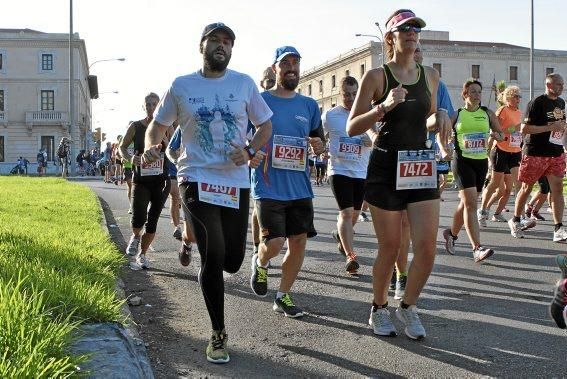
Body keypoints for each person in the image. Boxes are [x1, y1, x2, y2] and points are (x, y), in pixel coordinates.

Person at [142, 22, 272, 364]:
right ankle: (218, 333)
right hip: (195, 178)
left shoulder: (243, 84)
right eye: (215, 40)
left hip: (235, 182)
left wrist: (248, 148)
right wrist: (152, 145)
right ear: (201, 46)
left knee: (232, 260)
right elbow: (158, 124)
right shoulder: (182, 85)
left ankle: (227, 262)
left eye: (228, 42)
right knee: (213, 256)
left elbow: (265, 126)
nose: (222, 46)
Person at [347, 9, 451, 340]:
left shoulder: (430, 76)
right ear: (391, 37)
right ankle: (379, 308)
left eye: (415, 29)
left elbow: (427, 119)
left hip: (419, 165)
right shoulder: (377, 77)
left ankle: (407, 305)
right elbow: (352, 127)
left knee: (427, 248)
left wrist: (443, 116)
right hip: (385, 167)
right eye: (404, 29)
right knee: (390, 248)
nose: (411, 33)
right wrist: (384, 107)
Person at [249, 45, 324, 319]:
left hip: (300, 187)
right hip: (268, 185)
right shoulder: (259, 100)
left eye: (295, 63)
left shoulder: (309, 105)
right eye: (286, 64)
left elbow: (318, 140)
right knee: (276, 243)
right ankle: (260, 260)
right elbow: (244, 138)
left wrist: (318, 145)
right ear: (275, 69)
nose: (291, 68)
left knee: (299, 242)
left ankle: (283, 296)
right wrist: (251, 154)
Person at [443, 79, 503, 262]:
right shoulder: (457, 114)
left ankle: (451, 234)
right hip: (462, 161)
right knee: (471, 205)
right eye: (473, 92)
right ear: (465, 94)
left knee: (466, 203)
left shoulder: (487, 113)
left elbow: (501, 135)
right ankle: (477, 248)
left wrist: (495, 135)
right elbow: (443, 132)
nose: (477, 95)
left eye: (479, 92)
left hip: (480, 162)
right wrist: (445, 147)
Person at [508, 73, 567, 240]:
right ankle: (516, 219)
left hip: (555, 152)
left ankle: (558, 228)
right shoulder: (536, 102)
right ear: (549, 85)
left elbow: (560, 124)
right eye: (559, 85)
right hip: (535, 152)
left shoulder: (561, 103)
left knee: (557, 189)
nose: (562, 87)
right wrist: (549, 128)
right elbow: (524, 128)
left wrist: (562, 130)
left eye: (562, 84)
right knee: (526, 188)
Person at [324, 76, 371, 274]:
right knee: (345, 213)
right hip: (339, 170)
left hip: (361, 171)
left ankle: (339, 234)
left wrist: (370, 141)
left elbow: (376, 138)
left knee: (355, 215)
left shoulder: (366, 113)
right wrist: (319, 146)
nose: (350, 98)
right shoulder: (329, 115)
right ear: (339, 94)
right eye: (346, 95)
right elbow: (319, 135)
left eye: (354, 94)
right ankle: (350, 255)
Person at [120, 92, 172, 270]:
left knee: (153, 221)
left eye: (154, 104)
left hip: (161, 181)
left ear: (159, 106)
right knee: (138, 216)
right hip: (141, 179)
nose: (151, 107)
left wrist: (167, 140)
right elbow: (122, 146)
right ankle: (135, 236)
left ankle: (143, 254)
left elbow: (175, 148)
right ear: (144, 106)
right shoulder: (136, 126)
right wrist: (129, 158)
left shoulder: (167, 125)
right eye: (148, 104)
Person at [479, 86, 524, 224]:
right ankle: (482, 210)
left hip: (515, 151)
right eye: (516, 96)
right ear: (509, 98)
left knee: (517, 185)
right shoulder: (503, 110)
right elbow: (496, 130)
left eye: (519, 97)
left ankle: (516, 216)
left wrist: (521, 133)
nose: (518, 99)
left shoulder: (519, 112)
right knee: (495, 184)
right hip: (500, 150)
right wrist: (513, 129)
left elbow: (519, 130)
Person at [251, 67, 278, 257]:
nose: (272, 83)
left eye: (274, 80)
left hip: (285, 166)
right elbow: (242, 131)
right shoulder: (255, 101)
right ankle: (257, 247)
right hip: (261, 164)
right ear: (262, 84)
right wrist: (250, 151)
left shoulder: (291, 101)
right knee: (258, 207)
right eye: (268, 80)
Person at [165, 124, 197, 266]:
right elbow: (170, 149)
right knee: (192, 234)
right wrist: (178, 161)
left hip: (220, 180)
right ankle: (186, 241)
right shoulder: (185, 121)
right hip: (189, 177)